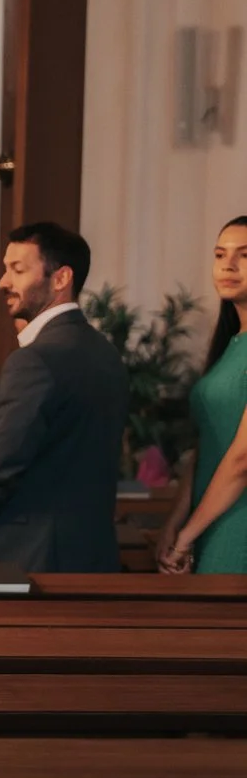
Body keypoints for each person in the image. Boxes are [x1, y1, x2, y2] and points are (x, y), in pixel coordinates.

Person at [0, 222, 125, 572]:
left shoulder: (35, 360)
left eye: (17, 270)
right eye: (5, 269)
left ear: (60, 279)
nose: (3, 282)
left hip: (31, 559)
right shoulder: (106, 353)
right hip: (93, 554)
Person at [161, 216, 247, 574]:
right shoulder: (230, 344)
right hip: (210, 517)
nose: (228, 265)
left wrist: (187, 534)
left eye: (245, 255)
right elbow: (207, 444)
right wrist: (177, 522)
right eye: (219, 254)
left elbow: (242, 459)